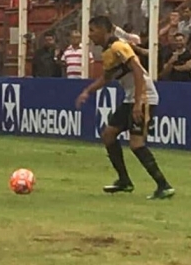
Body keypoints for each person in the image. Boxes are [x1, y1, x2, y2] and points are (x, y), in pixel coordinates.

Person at [75, 16, 175, 199]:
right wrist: (87, 91)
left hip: (145, 97)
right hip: (132, 98)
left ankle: (164, 185)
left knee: (136, 143)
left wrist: (138, 103)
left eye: (92, 30)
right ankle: (124, 180)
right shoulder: (108, 52)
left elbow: (137, 70)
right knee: (108, 134)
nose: (89, 35)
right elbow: (107, 77)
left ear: (104, 31)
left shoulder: (118, 47)